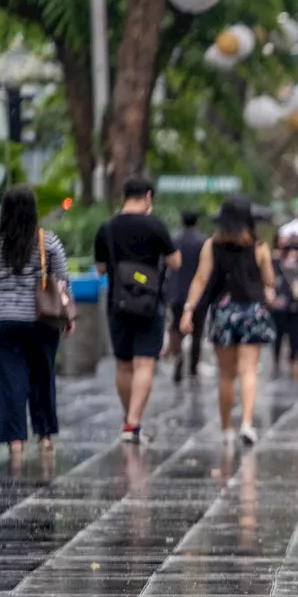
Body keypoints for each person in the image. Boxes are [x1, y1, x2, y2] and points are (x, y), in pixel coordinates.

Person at [0, 185, 73, 457]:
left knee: (9, 382)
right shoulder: (48, 241)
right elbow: (63, 281)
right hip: (42, 320)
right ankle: (44, 437)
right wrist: (67, 316)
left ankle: (15, 441)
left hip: (4, 319)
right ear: (34, 210)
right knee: (42, 377)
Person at [180, 196, 277, 445]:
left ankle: (226, 429)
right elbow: (270, 281)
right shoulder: (259, 246)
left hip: (224, 311)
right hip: (252, 311)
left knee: (226, 374)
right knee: (248, 370)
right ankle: (246, 423)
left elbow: (201, 279)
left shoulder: (212, 245)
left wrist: (188, 309)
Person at [94, 178, 182, 445]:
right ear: (147, 197)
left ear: (124, 196)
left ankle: (129, 419)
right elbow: (175, 261)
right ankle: (132, 422)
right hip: (149, 304)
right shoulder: (155, 225)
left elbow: (99, 269)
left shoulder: (107, 228)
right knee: (145, 363)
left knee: (123, 364)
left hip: (117, 304)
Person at [165, 209, 206, 383]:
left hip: (176, 291)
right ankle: (193, 367)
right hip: (198, 294)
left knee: (175, 326)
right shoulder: (203, 241)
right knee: (197, 331)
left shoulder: (174, 239)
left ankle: (178, 355)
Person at [271, 236, 298, 378]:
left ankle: (297, 362)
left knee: (297, 335)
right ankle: (278, 362)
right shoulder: (276, 261)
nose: (292, 250)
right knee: (278, 335)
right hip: (280, 305)